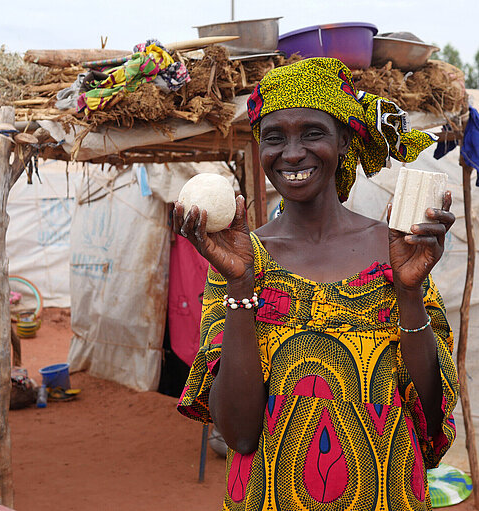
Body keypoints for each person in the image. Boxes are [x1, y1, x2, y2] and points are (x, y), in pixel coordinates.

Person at [174, 57, 459, 511]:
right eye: (274, 137)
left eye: (312, 132)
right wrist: (242, 288)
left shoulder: (396, 248)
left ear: (344, 140)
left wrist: (408, 293)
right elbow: (240, 434)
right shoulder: (241, 261)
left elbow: (429, 414)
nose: (291, 153)